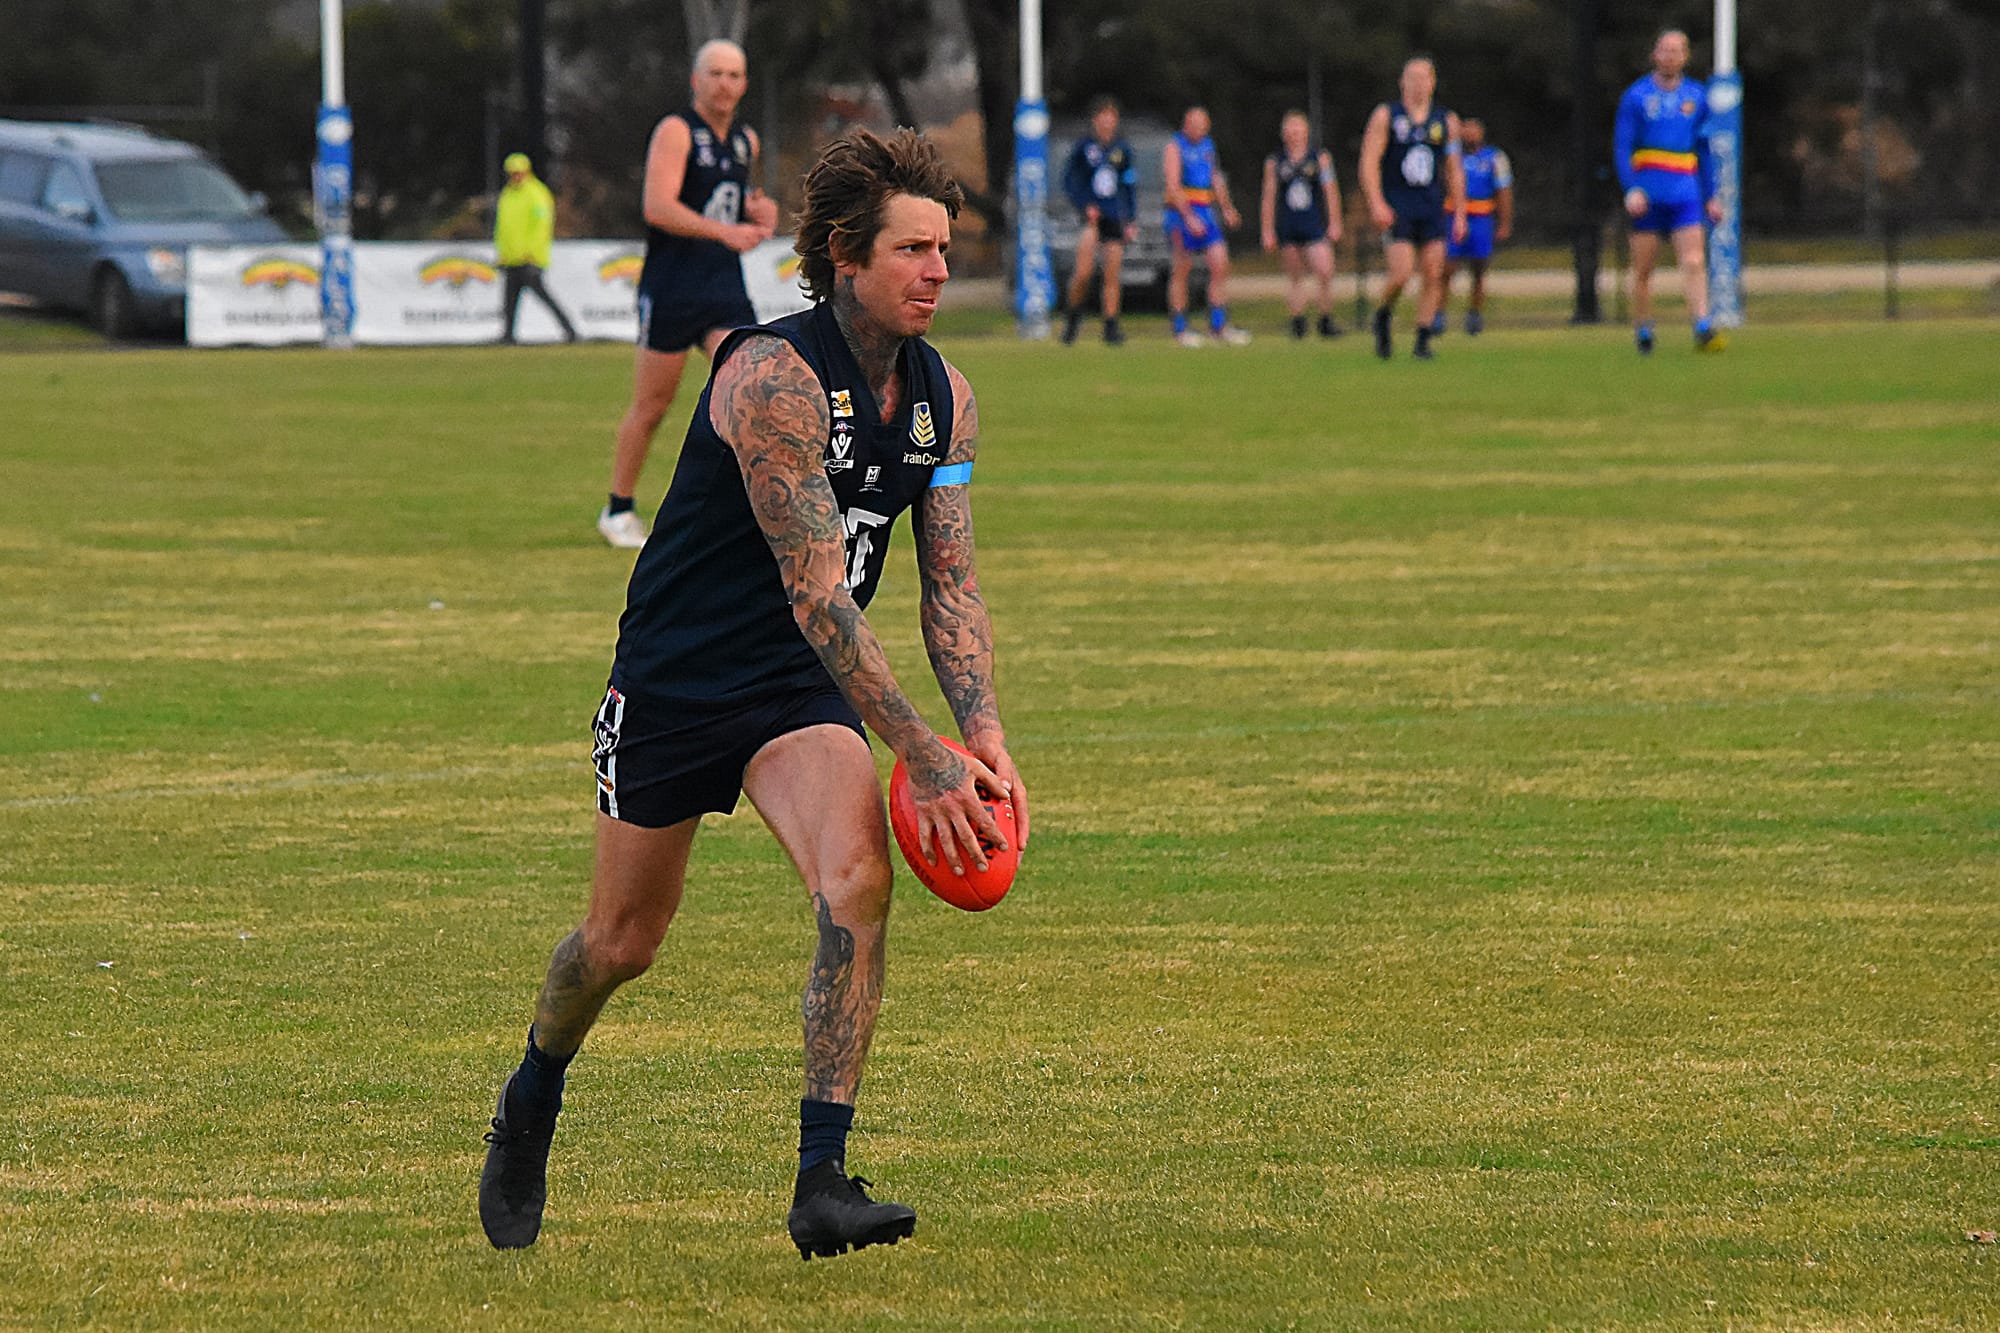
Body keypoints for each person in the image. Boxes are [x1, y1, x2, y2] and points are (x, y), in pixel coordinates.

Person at [479, 126, 1030, 1262]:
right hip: (679, 676)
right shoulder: (768, 377)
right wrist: (921, 751)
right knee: (620, 943)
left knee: (856, 878)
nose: (938, 270)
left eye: (945, 248)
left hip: (797, 686)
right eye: (913, 250)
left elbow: (951, 584)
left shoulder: (947, 404)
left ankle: (820, 1177)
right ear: (841, 255)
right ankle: (533, 1089)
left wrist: (980, 734)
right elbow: (824, 597)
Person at [597, 39, 779, 549]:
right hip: (674, 284)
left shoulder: (746, 140)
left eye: (735, 75)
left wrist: (759, 212)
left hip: (724, 286)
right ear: (696, 80)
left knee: (751, 389)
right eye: (716, 73)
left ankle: (753, 510)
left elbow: (738, 200)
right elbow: (658, 206)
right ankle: (618, 508)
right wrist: (726, 233)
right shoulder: (677, 131)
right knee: (653, 404)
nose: (725, 84)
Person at [1616, 28, 1726, 354]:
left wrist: (1711, 195)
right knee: (1644, 269)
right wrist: (1631, 188)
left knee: (1693, 260)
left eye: (1676, 51)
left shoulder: (1697, 96)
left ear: (1685, 56)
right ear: (1654, 55)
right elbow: (1622, 146)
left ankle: (1702, 325)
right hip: (1648, 194)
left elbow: (1704, 151)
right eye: (1664, 50)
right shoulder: (1636, 97)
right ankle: (1645, 327)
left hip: (1685, 191)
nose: (1669, 57)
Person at [1358, 56, 1467, 361]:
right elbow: (1369, 161)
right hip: (1398, 207)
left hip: (1431, 207)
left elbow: (1453, 169)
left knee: (1434, 273)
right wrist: (1376, 202)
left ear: (1433, 83)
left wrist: (1459, 212)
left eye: (1424, 78)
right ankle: (1382, 315)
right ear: (1402, 82)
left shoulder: (1445, 121)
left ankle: (1422, 339)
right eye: (1412, 77)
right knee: (1402, 273)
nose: (1418, 84)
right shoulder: (1387, 116)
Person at [1162, 107, 1251, 347]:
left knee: (1220, 263)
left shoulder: (1208, 147)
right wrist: (1188, 216)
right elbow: (1172, 184)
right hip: (1180, 213)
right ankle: (1180, 328)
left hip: (1205, 210)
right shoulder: (1175, 146)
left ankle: (1218, 324)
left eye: (1201, 124)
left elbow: (1215, 179)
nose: (1197, 129)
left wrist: (1227, 208)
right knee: (1182, 268)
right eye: (1192, 123)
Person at [1058, 96, 1139, 346]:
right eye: (1102, 118)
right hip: (1091, 219)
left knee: (1112, 273)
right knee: (1083, 272)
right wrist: (1085, 205)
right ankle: (1072, 319)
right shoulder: (1084, 149)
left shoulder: (1121, 150)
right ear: (1095, 121)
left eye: (1110, 119)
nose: (1106, 123)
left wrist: (1131, 219)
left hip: (1114, 217)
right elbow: (1070, 182)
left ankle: (1111, 326)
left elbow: (1128, 185)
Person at [1259, 110, 1344, 340]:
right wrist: (1267, 230)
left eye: (1298, 129)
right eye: (1290, 130)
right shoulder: (1276, 162)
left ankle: (1325, 318)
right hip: (1289, 225)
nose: (1294, 134)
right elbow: (1269, 196)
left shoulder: (1320, 158)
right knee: (1295, 276)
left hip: (1314, 224)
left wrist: (1335, 221)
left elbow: (1330, 191)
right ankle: (1297, 322)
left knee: (1324, 270)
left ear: (1306, 132)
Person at [1435, 118, 1512, 336]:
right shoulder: (1451, 156)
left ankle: (1474, 314)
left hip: (1481, 217)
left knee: (1479, 269)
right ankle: (1438, 314)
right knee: (1447, 267)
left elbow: (1504, 190)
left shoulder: (1494, 158)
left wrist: (1504, 222)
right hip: (1453, 216)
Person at [495, 152, 579, 345]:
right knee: (509, 300)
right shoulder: (507, 194)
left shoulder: (536, 193)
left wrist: (532, 253)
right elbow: (503, 227)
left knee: (543, 296)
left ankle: (569, 330)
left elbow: (541, 227)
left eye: (518, 173)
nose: (515, 176)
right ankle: (508, 335)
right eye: (512, 173)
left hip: (530, 257)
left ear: (526, 172)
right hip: (511, 258)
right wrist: (503, 253)